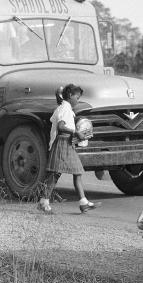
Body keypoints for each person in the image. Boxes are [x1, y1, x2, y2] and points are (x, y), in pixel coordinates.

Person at [38, 83, 95, 214]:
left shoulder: (65, 108)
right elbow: (61, 127)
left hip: (66, 143)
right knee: (57, 174)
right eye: (77, 97)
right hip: (62, 143)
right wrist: (76, 133)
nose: (78, 100)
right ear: (70, 95)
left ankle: (83, 202)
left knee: (71, 172)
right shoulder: (65, 109)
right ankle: (44, 202)